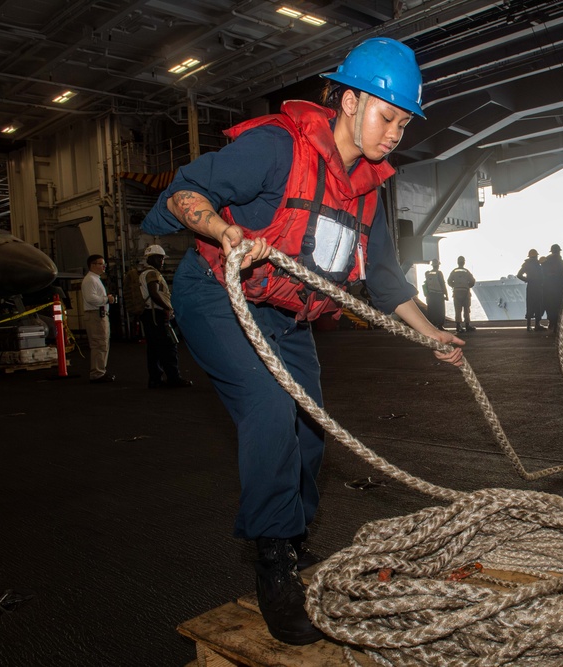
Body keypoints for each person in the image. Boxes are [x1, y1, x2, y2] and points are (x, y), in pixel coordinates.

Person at [141, 37, 464, 646]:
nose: (396, 132)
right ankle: (274, 565)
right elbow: (185, 193)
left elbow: (387, 280)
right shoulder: (276, 147)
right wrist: (224, 231)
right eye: (387, 115)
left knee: (310, 428)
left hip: (284, 317)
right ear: (347, 101)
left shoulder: (368, 188)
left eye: (404, 122)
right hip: (216, 292)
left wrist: (432, 336)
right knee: (268, 406)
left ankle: (291, 533)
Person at [139, 245, 193, 388]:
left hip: (149, 314)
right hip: (156, 314)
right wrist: (168, 307)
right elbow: (154, 293)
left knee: (154, 348)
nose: (162, 262)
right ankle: (173, 378)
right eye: (160, 258)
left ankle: (155, 379)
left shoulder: (144, 273)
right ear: (152, 258)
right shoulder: (152, 274)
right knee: (168, 347)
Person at [81, 254, 115, 383]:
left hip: (99, 314)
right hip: (95, 314)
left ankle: (100, 370)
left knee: (102, 344)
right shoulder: (90, 279)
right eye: (101, 264)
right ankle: (97, 373)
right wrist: (107, 299)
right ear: (92, 265)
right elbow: (91, 298)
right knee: (99, 344)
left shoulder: (94, 279)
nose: (104, 266)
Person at [516, 248, 545, 331]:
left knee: (530, 305)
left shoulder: (526, 264)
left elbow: (519, 275)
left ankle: (529, 326)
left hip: (531, 287)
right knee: (538, 305)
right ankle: (537, 325)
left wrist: (528, 280)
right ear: (536, 256)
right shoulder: (537, 265)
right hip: (538, 287)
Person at [447, 255, 476, 333]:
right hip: (465, 292)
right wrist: (468, 286)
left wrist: (455, 286)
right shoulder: (466, 271)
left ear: (457, 262)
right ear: (463, 262)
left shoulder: (454, 271)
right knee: (466, 309)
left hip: (456, 292)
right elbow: (472, 281)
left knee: (457, 309)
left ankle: (458, 326)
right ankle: (467, 325)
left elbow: (449, 281)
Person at [422, 258, 448, 329]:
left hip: (430, 295)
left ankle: (431, 325)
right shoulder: (439, 273)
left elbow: (426, 284)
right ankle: (439, 325)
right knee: (440, 310)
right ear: (438, 265)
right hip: (438, 295)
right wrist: (446, 294)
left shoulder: (428, 273)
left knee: (431, 310)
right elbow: (442, 284)